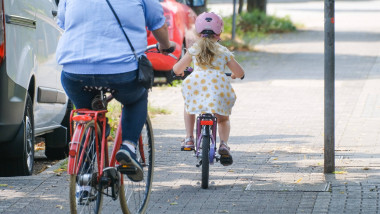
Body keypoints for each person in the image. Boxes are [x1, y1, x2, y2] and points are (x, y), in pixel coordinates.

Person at [56, 0, 175, 183]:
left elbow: (64, 23)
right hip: (122, 72)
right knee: (136, 98)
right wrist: (166, 46)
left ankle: (85, 178)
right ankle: (128, 147)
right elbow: (158, 25)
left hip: (75, 72)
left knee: (86, 111)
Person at [173, 12, 245, 166]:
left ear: (198, 32)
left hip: (196, 85)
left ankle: (188, 138)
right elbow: (240, 72)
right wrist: (234, 75)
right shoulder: (223, 52)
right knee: (223, 118)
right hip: (218, 87)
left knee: (189, 106)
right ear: (219, 32)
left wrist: (179, 72)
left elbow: (177, 68)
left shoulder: (194, 50)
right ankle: (224, 144)